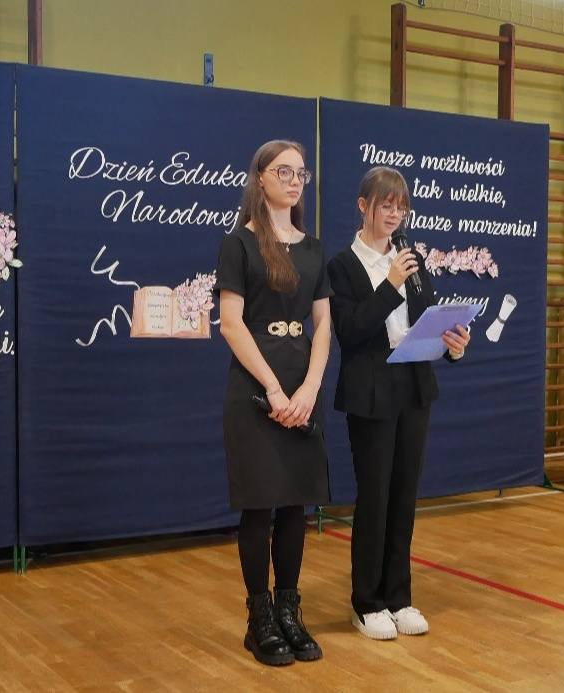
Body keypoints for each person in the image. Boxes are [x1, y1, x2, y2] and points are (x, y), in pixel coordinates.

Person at [327, 166, 470, 641]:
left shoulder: (411, 259)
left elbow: (427, 320)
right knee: (375, 496)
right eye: (385, 205)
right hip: (371, 393)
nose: (394, 214)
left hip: (413, 387)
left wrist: (453, 344)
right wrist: (389, 284)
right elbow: (351, 330)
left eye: (401, 207)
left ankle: (398, 596)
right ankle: (366, 602)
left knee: (405, 495)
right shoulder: (342, 266)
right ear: (363, 205)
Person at [215, 139, 331, 667]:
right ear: (259, 177)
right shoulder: (238, 244)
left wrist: (308, 389)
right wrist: (275, 390)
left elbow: (323, 325)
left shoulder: (313, 249)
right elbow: (231, 324)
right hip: (256, 389)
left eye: (300, 173)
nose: (294, 181)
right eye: (283, 171)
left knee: (294, 506)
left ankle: (289, 611)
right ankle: (259, 618)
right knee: (260, 505)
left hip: (302, 386)